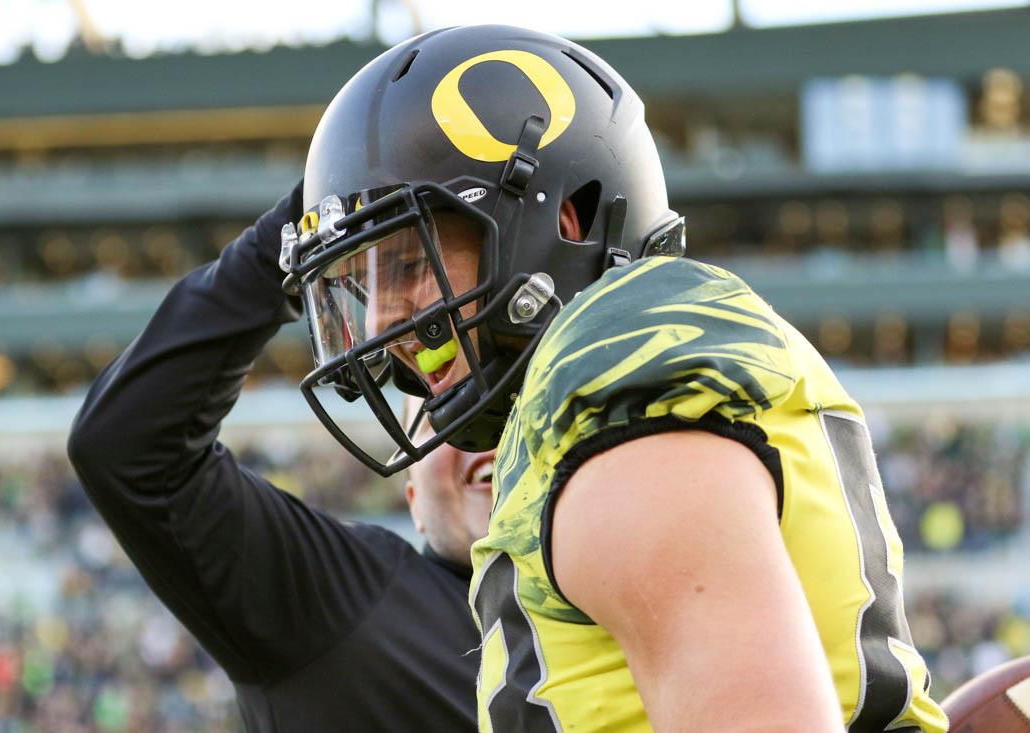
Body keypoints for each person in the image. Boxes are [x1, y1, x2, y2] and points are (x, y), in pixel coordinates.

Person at [285, 24, 950, 731]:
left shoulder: (615, 368)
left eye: (410, 265)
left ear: (562, 222)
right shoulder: (612, 376)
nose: (386, 323)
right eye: (363, 286)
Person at [67, 183, 494, 731]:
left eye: (505, 410)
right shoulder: (345, 601)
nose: (481, 436)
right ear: (412, 498)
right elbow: (130, 447)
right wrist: (312, 216)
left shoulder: (612, 597)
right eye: (443, 414)